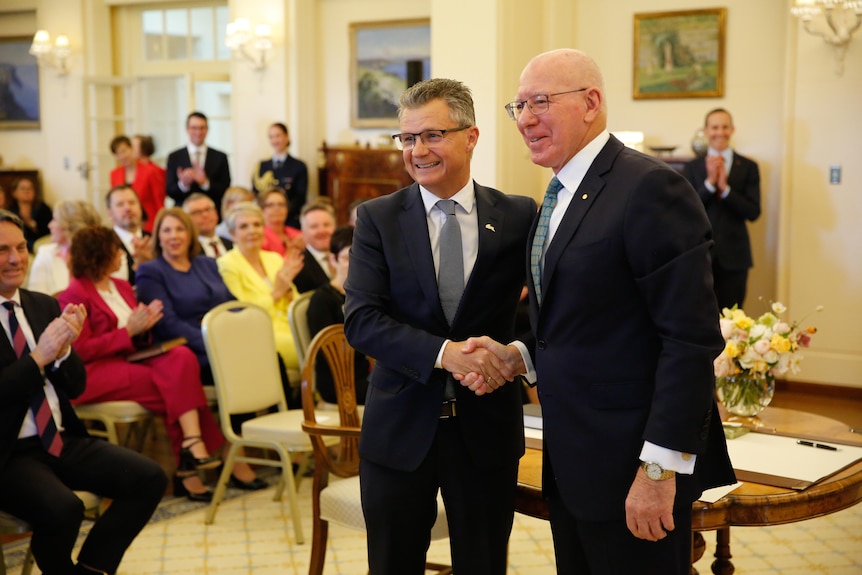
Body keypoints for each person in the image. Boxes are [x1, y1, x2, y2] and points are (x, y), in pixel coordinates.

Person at [462, 49, 736, 575]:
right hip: (575, 467)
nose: (524, 119)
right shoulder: (559, 191)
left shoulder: (649, 188)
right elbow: (587, 322)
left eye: (540, 101)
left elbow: (689, 342)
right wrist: (521, 356)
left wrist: (657, 472)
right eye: (516, 106)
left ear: (591, 103)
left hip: (634, 470)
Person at [343, 78, 536, 575]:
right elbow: (362, 321)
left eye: (431, 135)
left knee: (484, 563)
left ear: (470, 136)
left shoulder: (518, 216)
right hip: (400, 429)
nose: (416, 150)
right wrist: (444, 353)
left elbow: (551, 315)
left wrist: (514, 354)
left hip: (487, 429)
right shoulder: (377, 219)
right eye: (407, 138)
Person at [0, 210, 166, 575]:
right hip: (9, 451)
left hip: (58, 439)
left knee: (149, 477)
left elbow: (76, 386)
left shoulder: (42, 304)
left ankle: (93, 568)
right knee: (66, 508)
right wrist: (39, 358)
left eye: (21, 247)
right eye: (2, 250)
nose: (15, 259)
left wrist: (63, 353)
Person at [58, 225, 224, 502]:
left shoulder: (122, 286)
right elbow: (80, 350)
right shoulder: (74, 295)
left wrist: (146, 325)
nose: (122, 255)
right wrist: (128, 332)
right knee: (172, 388)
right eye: (115, 250)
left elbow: (138, 333)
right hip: (94, 371)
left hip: (131, 358)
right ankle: (194, 458)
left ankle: (190, 453)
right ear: (98, 255)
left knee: (182, 358)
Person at [135, 208, 266, 491]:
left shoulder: (206, 263)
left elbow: (231, 304)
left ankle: (248, 444)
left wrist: (240, 333)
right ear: (158, 236)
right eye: (167, 230)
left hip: (221, 340)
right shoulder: (151, 271)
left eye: (179, 229)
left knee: (267, 360)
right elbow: (168, 323)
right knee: (235, 368)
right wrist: (216, 341)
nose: (174, 236)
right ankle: (234, 455)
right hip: (185, 348)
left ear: (190, 234)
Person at [217, 202, 304, 405]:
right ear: (232, 234)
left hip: (288, 326)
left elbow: (297, 303)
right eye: (244, 226)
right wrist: (277, 292)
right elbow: (240, 311)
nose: (252, 231)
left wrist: (289, 290)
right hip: (260, 333)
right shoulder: (227, 264)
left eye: (257, 225)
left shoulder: (274, 258)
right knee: (317, 348)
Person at [684, 108, 761, 310]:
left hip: (735, 257)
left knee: (734, 318)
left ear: (732, 129)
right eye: (715, 127)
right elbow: (687, 209)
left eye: (725, 127)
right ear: (706, 131)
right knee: (699, 314)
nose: (720, 132)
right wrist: (710, 183)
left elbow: (753, 212)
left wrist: (726, 189)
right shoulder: (692, 167)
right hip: (700, 254)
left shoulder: (748, 166)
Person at [307, 225, 368, 406]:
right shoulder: (322, 299)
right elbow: (326, 352)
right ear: (333, 260)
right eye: (348, 257)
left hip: (364, 373)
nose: (356, 262)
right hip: (340, 381)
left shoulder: (365, 295)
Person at [27, 200, 103, 295]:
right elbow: (36, 299)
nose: (49, 225)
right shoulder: (45, 254)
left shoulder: (101, 255)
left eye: (54, 220)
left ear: (70, 225)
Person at [166, 111, 232, 214]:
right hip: (184, 213)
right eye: (194, 128)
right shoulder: (175, 157)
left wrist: (205, 183)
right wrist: (183, 184)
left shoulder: (220, 157)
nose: (198, 132)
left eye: (202, 128)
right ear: (187, 129)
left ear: (207, 129)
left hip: (211, 212)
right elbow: (170, 190)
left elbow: (225, 189)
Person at [252, 122, 308, 230]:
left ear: (287, 137)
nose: (275, 140)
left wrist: (279, 212)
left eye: (278, 136)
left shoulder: (299, 166)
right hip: (265, 221)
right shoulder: (262, 166)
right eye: (271, 137)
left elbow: (300, 197)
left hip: (289, 221)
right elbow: (256, 192)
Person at [109, 135, 166, 233]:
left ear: (132, 149)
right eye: (117, 154)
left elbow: (159, 201)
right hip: (125, 224)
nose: (122, 156)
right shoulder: (114, 174)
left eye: (123, 151)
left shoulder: (150, 171)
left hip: (149, 224)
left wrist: (162, 224)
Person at [106, 184, 153, 285]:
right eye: (120, 204)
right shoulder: (106, 244)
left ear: (140, 207)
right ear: (110, 213)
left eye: (132, 202)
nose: (128, 208)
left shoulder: (155, 238)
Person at [293, 200, 336, 293]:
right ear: (303, 232)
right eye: (314, 226)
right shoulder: (298, 266)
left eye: (326, 225)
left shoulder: (347, 257)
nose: (322, 230)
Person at [8, 177, 51, 252]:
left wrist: (32, 224)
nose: (26, 191)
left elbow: (48, 233)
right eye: (23, 188)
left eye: (30, 188)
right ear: (14, 193)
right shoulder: (10, 212)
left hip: (42, 245)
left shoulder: (43, 209)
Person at [182, 192, 232, 258]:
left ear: (216, 212)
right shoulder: (187, 250)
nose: (205, 215)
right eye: (197, 212)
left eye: (208, 209)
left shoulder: (232, 244)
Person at [259, 188, 303, 256]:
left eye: (281, 204)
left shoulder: (299, 235)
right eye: (270, 205)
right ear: (261, 210)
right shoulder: (259, 238)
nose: (277, 208)